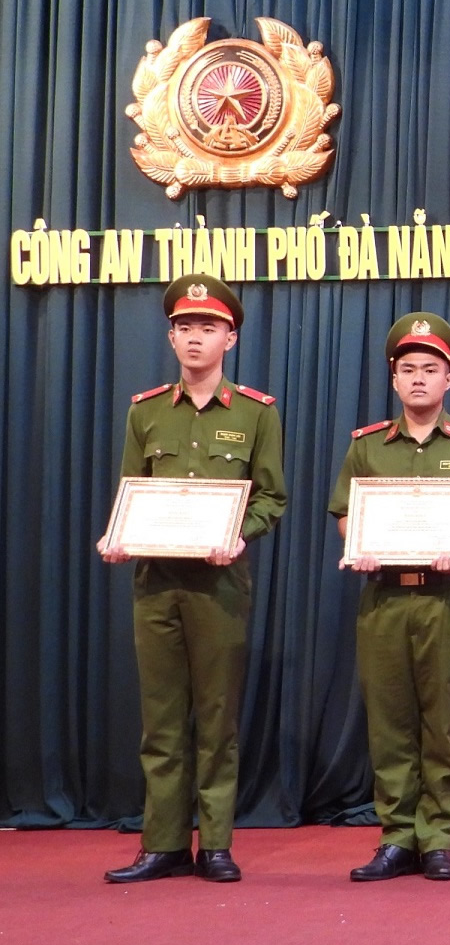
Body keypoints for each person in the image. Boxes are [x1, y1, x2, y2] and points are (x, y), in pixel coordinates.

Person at [99, 274, 286, 884]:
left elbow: (272, 498)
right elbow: (131, 491)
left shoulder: (257, 414)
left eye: (207, 328)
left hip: (220, 585)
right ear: (171, 337)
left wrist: (240, 534)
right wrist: (116, 534)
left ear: (229, 337)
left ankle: (218, 844)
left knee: (216, 717)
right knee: (160, 719)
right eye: (184, 328)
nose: (194, 339)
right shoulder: (146, 412)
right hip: (155, 582)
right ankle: (163, 843)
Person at [329, 313, 450, 882]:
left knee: (443, 718)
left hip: (446, 599)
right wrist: (359, 546)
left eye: (429, 369)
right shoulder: (368, 447)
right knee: (389, 719)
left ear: (448, 379)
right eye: (407, 369)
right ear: (393, 379)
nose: (418, 379)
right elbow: (344, 516)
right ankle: (396, 835)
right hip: (383, 598)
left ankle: (438, 835)